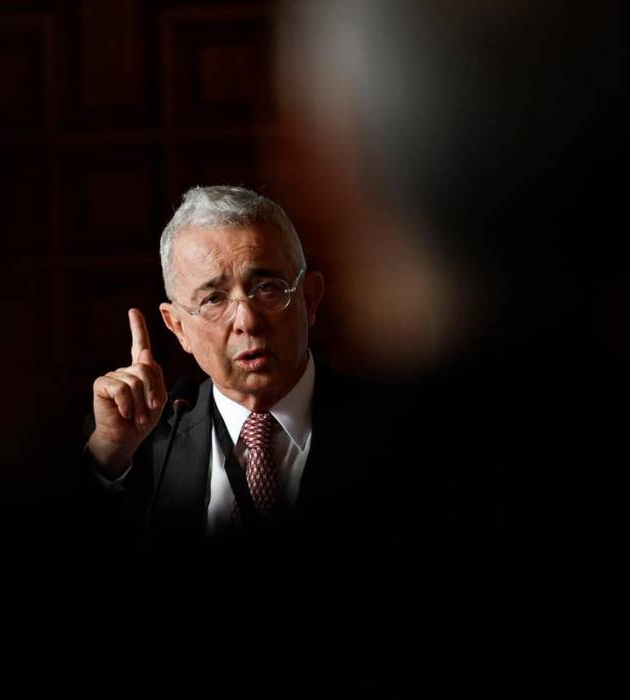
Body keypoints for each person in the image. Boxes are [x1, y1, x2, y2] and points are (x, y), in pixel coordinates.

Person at [76, 185, 435, 557]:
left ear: (310, 299)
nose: (247, 321)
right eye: (214, 299)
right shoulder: (135, 443)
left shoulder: (404, 429)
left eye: (267, 288)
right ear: (178, 327)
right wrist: (107, 458)